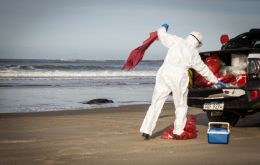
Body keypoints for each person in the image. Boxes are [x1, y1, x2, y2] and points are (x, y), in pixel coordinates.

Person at [140, 24, 227, 140]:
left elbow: (161, 34)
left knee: (156, 102)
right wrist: (216, 81)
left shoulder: (177, 40)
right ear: (197, 43)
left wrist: (164, 27)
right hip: (179, 75)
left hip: (164, 71)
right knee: (180, 105)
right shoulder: (194, 53)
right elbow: (203, 70)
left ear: (188, 37)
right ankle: (178, 131)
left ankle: (146, 130)